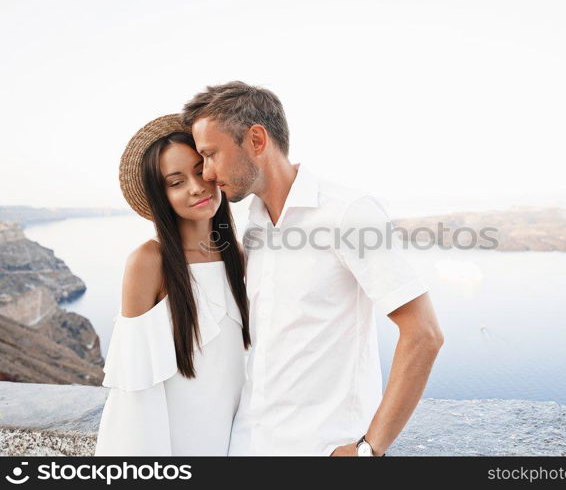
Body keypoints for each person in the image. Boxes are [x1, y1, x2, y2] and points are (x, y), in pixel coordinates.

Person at [181, 81, 445, 456]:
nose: (206, 173)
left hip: (320, 448)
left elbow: (424, 334)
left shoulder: (347, 213)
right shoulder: (255, 225)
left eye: (211, 155)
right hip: (248, 444)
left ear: (256, 140)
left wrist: (369, 449)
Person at [94, 114, 250, 455]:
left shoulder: (237, 255)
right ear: (160, 195)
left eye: (199, 170)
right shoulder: (149, 261)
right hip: (174, 448)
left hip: (236, 442)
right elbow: (134, 390)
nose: (196, 187)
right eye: (175, 182)